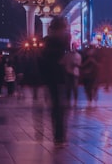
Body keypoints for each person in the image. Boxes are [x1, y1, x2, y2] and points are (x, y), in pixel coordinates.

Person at [41, 18, 71, 146]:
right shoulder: (56, 42)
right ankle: (59, 136)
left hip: (54, 78)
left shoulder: (48, 42)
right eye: (64, 28)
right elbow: (58, 58)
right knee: (59, 107)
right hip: (57, 78)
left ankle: (59, 135)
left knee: (58, 107)